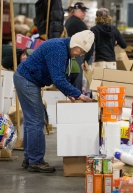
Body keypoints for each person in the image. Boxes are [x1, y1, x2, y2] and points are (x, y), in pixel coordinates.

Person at [14, 30, 94, 173]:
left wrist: (69, 93)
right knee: (37, 120)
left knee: (31, 120)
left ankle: (30, 157)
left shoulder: (64, 48)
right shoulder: (58, 50)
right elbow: (58, 78)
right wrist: (78, 94)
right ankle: (36, 161)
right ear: (74, 44)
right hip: (27, 80)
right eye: (80, 51)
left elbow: (58, 76)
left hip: (26, 78)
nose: (80, 54)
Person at [65, 2, 90, 92]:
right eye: (82, 11)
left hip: (70, 51)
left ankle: (73, 92)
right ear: (75, 10)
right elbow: (89, 38)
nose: (84, 13)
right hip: (77, 52)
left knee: (72, 73)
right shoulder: (78, 23)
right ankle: (78, 94)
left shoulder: (69, 20)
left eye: (85, 11)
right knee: (78, 74)